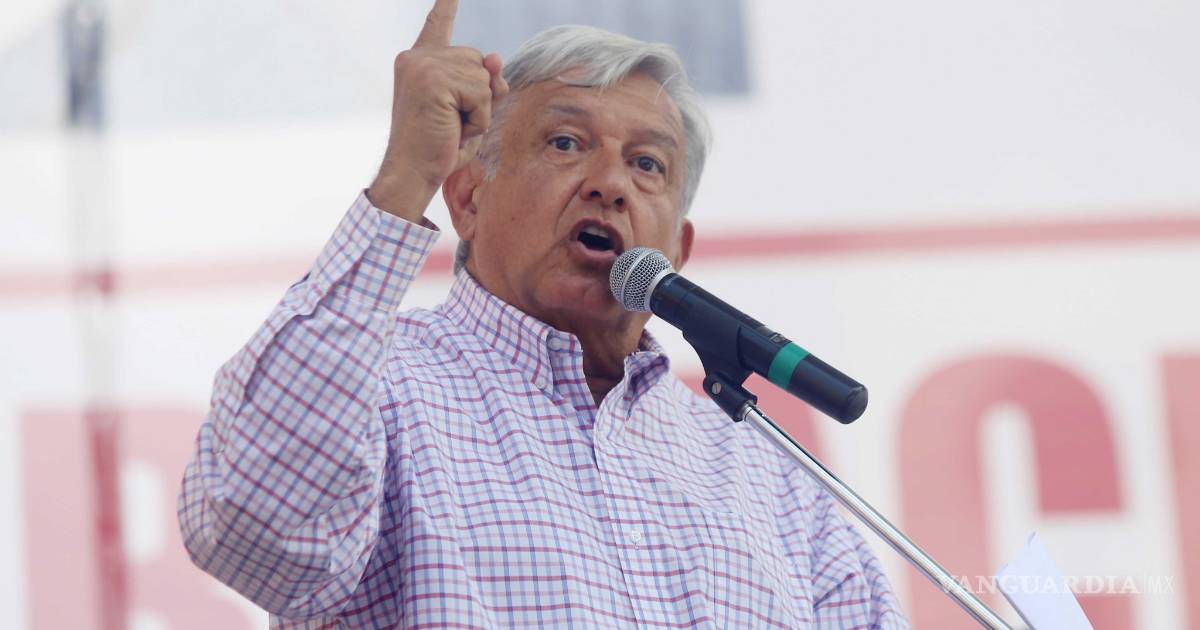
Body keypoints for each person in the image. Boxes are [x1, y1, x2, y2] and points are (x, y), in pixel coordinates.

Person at [178, 1, 909, 627]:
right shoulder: (377, 388)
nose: (610, 184)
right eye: (566, 143)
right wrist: (406, 176)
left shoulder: (768, 480)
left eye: (648, 164)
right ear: (468, 198)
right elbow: (254, 533)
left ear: (677, 249)